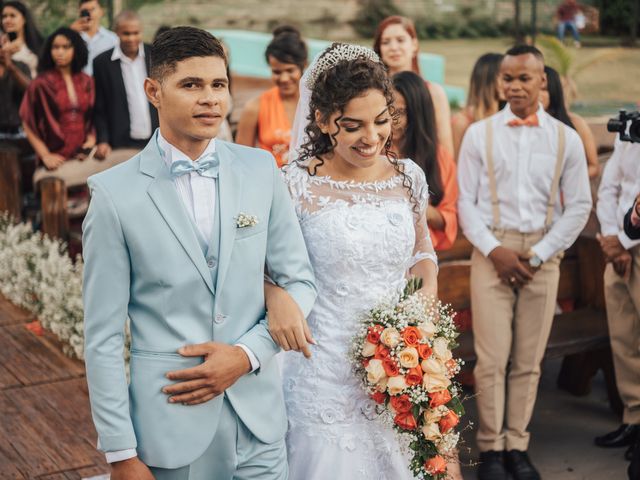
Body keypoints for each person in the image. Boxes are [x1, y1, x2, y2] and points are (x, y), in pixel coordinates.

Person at [81, 26, 316, 479]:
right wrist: (121, 454)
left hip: (260, 426)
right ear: (154, 91)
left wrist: (246, 354)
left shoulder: (260, 168)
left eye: (219, 84)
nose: (210, 98)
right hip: (171, 428)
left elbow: (300, 280)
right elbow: (104, 339)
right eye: (191, 85)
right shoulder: (113, 196)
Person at [266, 43, 443, 479]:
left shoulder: (409, 177)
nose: (371, 138)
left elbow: (422, 256)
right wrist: (273, 295)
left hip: (399, 367)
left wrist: (418, 329)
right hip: (320, 367)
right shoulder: (294, 185)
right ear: (325, 121)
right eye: (354, 126)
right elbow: (263, 267)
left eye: (382, 121)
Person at [457, 45, 591, 480]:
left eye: (524, 78)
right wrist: (495, 251)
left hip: (541, 254)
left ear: (542, 82)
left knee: (529, 360)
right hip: (492, 250)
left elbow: (577, 207)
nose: (515, 86)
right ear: (499, 83)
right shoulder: (479, 134)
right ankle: (492, 449)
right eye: (508, 79)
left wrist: (538, 253)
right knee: (492, 357)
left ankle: (518, 444)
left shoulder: (564, 138)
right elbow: (465, 202)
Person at [595, 139, 640, 464]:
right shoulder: (628, 131)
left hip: (630, 241)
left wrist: (622, 240)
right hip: (618, 249)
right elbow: (609, 187)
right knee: (624, 338)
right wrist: (613, 239)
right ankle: (633, 419)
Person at [19, 27, 99, 189]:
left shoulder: (87, 81)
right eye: (55, 47)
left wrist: (91, 141)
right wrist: (45, 155)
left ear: (76, 49)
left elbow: (91, 117)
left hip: (82, 159)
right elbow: (27, 123)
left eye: (66, 47)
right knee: (56, 210)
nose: (60, 52)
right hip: (56, 160)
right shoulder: (40, 84)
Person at [391, 70, 458, 251]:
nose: (392, 120)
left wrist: (421, 209)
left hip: (421, 253)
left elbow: (449, 217)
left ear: (417, 115)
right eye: (388, 110)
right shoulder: (372, 152)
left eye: (401, 112)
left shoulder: (438, 157)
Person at [374, 15, 453, 156]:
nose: (393, 47)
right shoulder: (374, 93)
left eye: (400, 40)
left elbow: (445, 148)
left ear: (414, 45)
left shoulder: (433, 92)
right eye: (386, 42)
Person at [236, 26, 307, 167]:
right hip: (272, 184)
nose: (284, 78)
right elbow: (240, 161)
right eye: (277, 72)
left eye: (290, 70)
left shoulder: (318, 103)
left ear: (303, 66)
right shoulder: (255, 107)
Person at [92, 10, 158, 162]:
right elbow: (99, 106)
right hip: (121, 142)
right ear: (116, 32)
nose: (131, 38)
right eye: (126, 33)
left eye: (136, 33)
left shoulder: (155, 55)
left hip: (156, 138)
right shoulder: (102, 63)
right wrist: (103, 140)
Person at [540, 65, 599, 178]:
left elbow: (594, 167)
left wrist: (568, 181)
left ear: (554, 91)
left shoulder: (576, 123)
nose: (538, 95)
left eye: (544, 90)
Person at [451, 53, 504, 161]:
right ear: (489, 79)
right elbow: (455, 167)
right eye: (506, 77)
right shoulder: (461, 123)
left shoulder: (508, 118)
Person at [70, 0, 117, 76]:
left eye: (92, 9)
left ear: (101, 11)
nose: (89, 14)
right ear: (79, 13)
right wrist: (70, 33)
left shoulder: (113, 39)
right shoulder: (72, 37)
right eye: (85, 11)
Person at [1, 0, 42, 78]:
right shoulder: (2, 46)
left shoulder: (38, 43)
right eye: (4, 16)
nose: (7, 20)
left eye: (12, 16)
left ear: (24, 19)